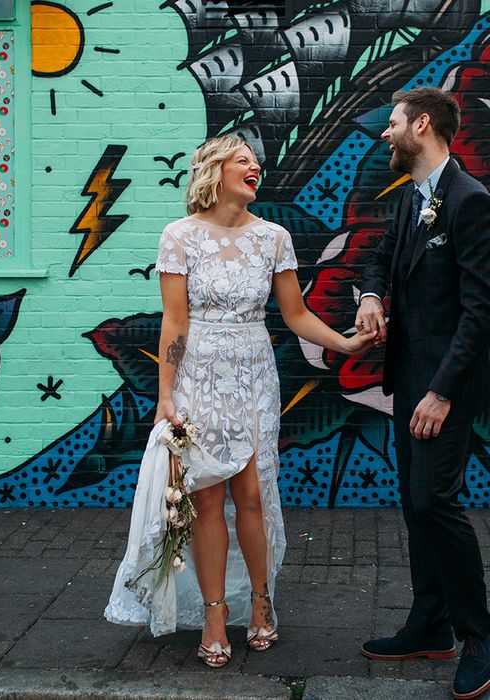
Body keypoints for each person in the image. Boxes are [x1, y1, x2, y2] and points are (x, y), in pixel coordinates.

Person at [105, 135, 374, 667]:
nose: (255, 167)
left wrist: (344, 344)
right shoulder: (179, 237)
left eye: (256, 161)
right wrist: (164, 396)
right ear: (215, 170)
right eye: (243, 160)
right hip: (198, 376)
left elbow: (295, 315)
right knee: (204, 498)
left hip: (253, 373)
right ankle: (212, 613)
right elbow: (175, 322)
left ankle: (261, 602)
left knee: (251, 493)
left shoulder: (273, 238)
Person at [355, 87, 490, 700]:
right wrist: (370, 296)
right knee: (414, 501)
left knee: (435, 500)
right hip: (407, 379)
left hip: (445, 386)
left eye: (393, 123)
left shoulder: (469, 203)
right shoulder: (412, 197)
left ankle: (479, 638)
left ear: (423, 124)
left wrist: (440, 394)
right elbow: (381, 257)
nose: (385, 134)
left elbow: (481, 312)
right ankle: (429, 623)